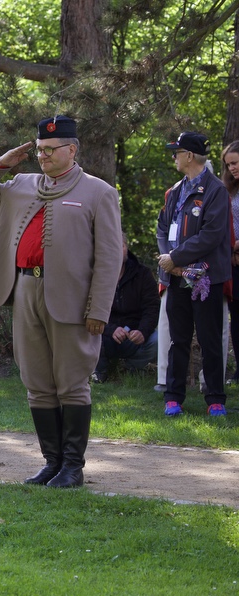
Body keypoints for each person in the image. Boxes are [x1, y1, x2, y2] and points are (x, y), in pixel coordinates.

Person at [0, 116, 122, 488]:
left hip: (71, 298)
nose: (43, 155)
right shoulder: (21, 184)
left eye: (51, 150)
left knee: (72, 382)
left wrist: (98, 309)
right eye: (39, 150)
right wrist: (1, 164)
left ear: (72, 149)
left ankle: (73, 466)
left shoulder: (98, 192)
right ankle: (51, 462)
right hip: (26, 291)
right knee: (36, 381)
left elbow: (110, 256)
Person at [157, 132, 232, 417]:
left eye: (176, 152)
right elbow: (163, 228)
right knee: (178, 340)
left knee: (210, 339)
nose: (173, 156)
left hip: (206, 279)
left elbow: (212, 235)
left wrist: (175, 258)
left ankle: (215, 398)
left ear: (189, 156)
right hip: (175, 277)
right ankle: (173, 397)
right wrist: (168, 260)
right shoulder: (176, 190)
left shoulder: (216, 190)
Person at [92, 233, 159, 383]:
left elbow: (152, 308)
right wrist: (110, 329)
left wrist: (142, 331)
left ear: (126, 248)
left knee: (157, 340)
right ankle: (99, 371)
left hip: (133, 335)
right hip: (104, 334)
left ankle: (132, 368)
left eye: (121, 246)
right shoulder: (95, 275)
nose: (117, 250)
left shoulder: (143, 274)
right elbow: (88, 308)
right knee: (87, 332)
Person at [221, 141, 239, 385]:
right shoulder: (228, 189)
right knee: (236, 317)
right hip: (232, 262)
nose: (232, 168)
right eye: (228, 164)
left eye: (235, 163)